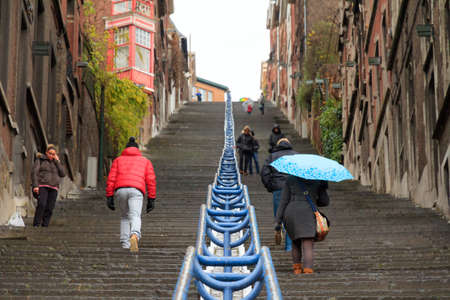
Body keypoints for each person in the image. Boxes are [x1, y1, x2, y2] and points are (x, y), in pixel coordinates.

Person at [106, 137, 156, 253]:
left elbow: (111, 179)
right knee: (135, 215)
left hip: (120, 190)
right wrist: (151, 198)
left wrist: (109, 196)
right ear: (137, 149)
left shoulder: (118, 160)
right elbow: (151, 180)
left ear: (126, 149)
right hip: (136, 190)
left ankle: (125, 243)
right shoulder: (145, 161)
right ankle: (134, 235)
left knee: (124, 216)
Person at [274, 176, 329, 274]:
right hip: (308, 211)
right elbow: (324, 202)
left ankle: (297, 269)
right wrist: (323, 187)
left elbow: (284, 201)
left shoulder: (291, 179)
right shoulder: (319, 179)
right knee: (307, 243)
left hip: (291, 213)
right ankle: (308, 270)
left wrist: (278, 221)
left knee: (295, 242)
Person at [260, 138, 297, 251]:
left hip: (278, 188)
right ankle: (289, 246)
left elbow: (264, 172)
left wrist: (270, 186)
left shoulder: (272, 156)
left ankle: (278, 225)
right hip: (293, 188)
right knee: (291, 216)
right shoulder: (296, 155)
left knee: (280, 213)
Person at [31, 144, 66, 227]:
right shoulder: (40, 160)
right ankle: (36, 224)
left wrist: (57, 162)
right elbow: (34, 173)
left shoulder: (56, 162)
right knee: (42, 204)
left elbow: (63, 174)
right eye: (50, 153)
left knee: (50, 207)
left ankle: (45, 225)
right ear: (46, 152)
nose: (51, 155)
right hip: (42, 185)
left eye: (53, 154)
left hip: (54, 187)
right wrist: (35, 185)